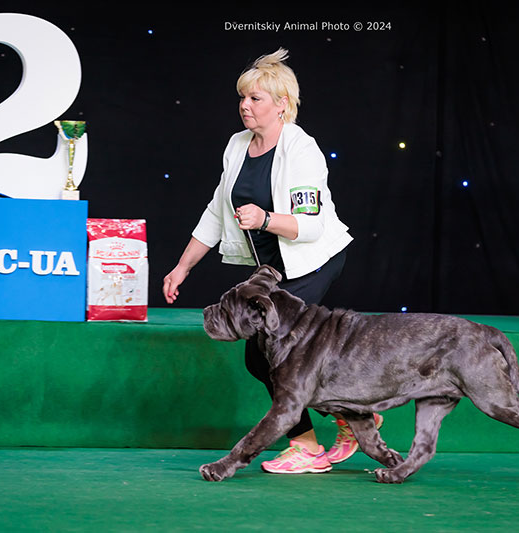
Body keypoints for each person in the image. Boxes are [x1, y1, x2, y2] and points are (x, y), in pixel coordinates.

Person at [162, 48, 382, 474]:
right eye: (242, 98)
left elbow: (311, 226)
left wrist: (265, 219)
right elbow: (216, 211)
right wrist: (183, 266)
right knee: (263, 356)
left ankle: (309, 446)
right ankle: (354, 418)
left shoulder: (302, 150)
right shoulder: (237, 145)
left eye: (255, 98)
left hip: (313, 261)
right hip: (273, 268)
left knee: (271, 352)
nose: (245, 105)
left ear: (282, 104)